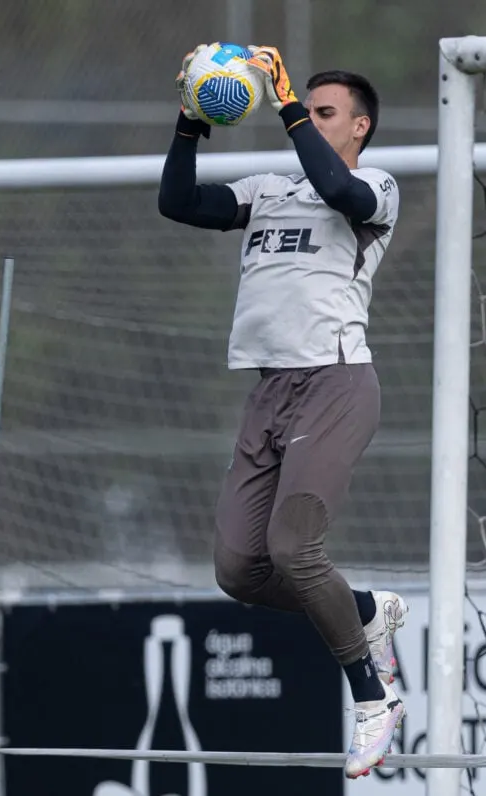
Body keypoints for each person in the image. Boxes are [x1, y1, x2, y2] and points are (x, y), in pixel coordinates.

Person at [158, 44, 408, 778]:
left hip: (335, 381)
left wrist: (288, 101)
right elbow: (177, 201)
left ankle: (371, 698)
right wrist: (189, 117)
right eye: (308, 111)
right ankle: (364, 610)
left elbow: (343, 194)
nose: (308, 121)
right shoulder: (269, 189)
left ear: (358, 128)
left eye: (327, 113)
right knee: (239, 568)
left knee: (296, 548)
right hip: (268, 390)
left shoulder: (376, 186)